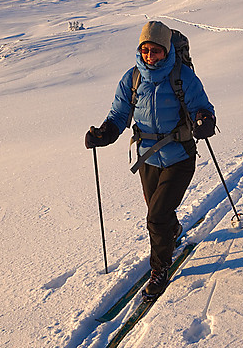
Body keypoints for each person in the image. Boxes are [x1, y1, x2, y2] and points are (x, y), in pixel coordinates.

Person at [85, 21, 216, 299]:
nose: (149, 56)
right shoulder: (132, 79)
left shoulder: (183, 77)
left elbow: (202, 107)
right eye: (145, 50)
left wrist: (204, 120)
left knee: (156, 216)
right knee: (160, 211)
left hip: (180, 156)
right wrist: (104, 133)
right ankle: (174, 229)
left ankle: (160, 268)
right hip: (148, 159)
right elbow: (119, 115)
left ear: (166, 50)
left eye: (155, 51)